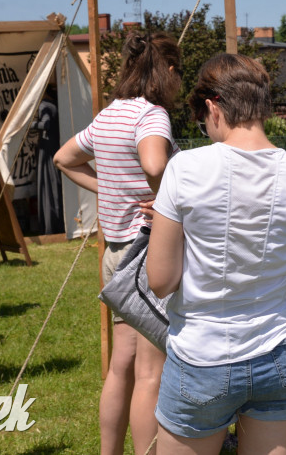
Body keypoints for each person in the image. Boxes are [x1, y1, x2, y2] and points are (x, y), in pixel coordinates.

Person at [147, 53, 286, 455]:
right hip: (283, 352)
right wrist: (272, 270)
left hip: (202, 356)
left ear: (213, 108)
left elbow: (160, 280)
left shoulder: (184, 168)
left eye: (203, 119)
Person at [54, 31, 182, 455]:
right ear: (168, 70)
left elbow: (64, 158)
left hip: (115, 254)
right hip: (146, 255)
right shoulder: (152, 115)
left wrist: (109, 189)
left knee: (120, 366)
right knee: (150, 373)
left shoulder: (110, 114)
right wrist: (168, 198)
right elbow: (154, 165)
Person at [33, 83, 64, 235]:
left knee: (48, 185)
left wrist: (30, 125)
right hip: (54, 148)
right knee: (53, 185)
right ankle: (56, 222)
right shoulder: (54, 104)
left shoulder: (44, 105)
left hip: (47, 150)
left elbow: (46, 124)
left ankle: (51, 225)